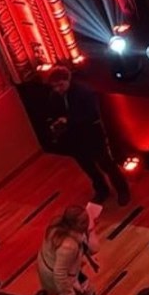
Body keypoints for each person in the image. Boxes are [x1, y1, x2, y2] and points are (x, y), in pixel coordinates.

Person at [43, 69, 131, 205]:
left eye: (60, 85)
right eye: (54, 86)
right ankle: (102, 190)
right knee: (88, 167)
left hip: (91, 134)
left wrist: (68, 120)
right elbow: (54, 113)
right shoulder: (54, 96)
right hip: (74, 138)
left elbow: (90, 114)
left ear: (68, 80)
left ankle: (122, 190)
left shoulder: (83, 92)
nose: (57, 89)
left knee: (106, 164)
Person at [38, 204, 100, 295]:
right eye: (83, 222)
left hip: (55, 269)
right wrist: (68, 294)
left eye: (87, 220)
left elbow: (84, 246)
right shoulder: (68, 246)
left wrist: (91, 260)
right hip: (59, 276)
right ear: (72, 225)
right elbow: (60, 273)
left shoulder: (59, 228)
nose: (87, 224)